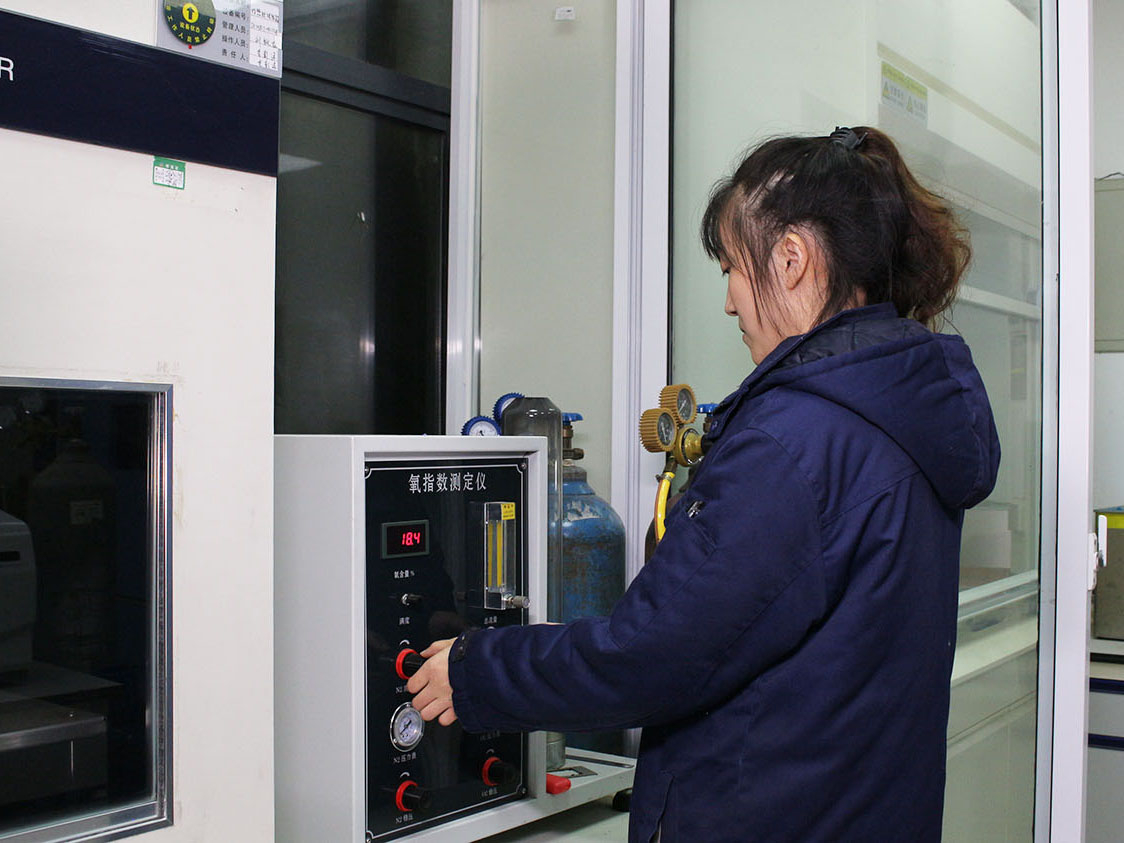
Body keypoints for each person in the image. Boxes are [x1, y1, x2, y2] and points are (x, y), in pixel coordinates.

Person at [407, 126, 999, 842]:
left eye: (732, 268)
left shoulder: (795, 442)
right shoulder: (900, 415)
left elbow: (652, 657)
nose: (729, 301)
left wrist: (478, 670)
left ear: (791, 259)